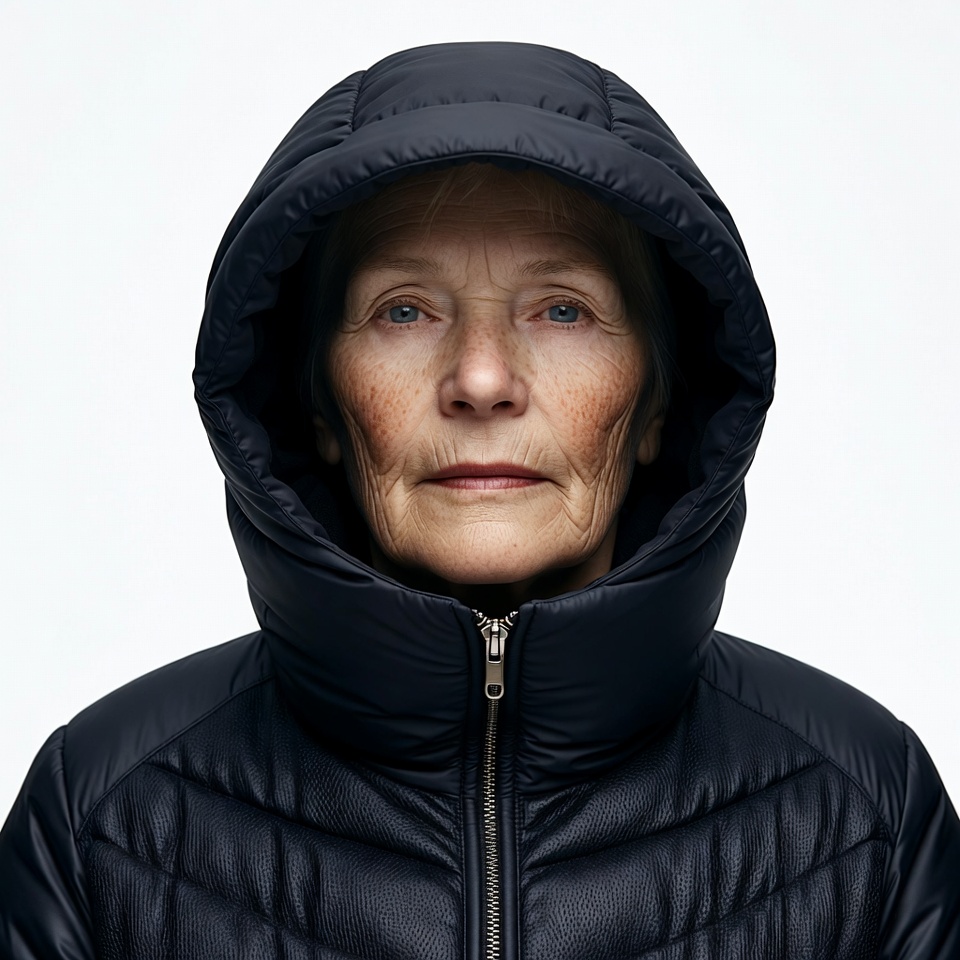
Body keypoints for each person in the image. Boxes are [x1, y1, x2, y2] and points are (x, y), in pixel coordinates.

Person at [1, 40, 957, 959]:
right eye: (404, 310)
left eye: (564, 309)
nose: (483, 379)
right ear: (319, 403)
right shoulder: (99, 817)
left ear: (659, 405)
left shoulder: (866, 812)